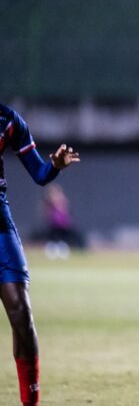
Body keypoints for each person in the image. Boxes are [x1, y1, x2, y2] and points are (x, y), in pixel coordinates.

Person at [0, 103, 80, 406]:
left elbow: (39, 173)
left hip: (0, 225)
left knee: (21, 311)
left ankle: (30, 402)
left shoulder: (7, 121)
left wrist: (56, 166)